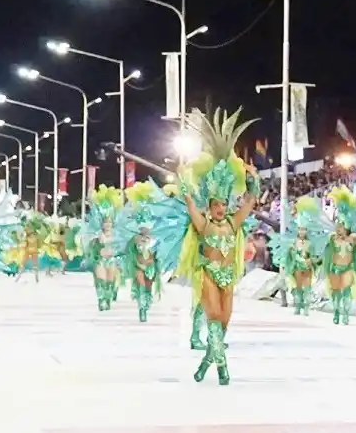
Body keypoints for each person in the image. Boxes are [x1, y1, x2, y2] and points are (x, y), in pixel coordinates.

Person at [167, 109, 259, 385]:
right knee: (214, 318)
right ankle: (223, 368)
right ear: (210, 206)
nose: (220, 209)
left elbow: (250, 201)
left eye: (223, 204)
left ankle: (208, 360)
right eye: (216, 205)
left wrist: (252, 179)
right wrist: (184, 182)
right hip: (207, 273)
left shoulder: (233, 224)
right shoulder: (203, 225)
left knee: (224, 322)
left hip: (228, 274)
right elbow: (189, 203)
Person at [322, 186, 356, 325]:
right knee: (336, 293)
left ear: (347, 227)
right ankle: (337, 311)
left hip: (348, 268)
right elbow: (326, 247)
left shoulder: (353, 238)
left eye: (342, 226)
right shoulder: (332, 238)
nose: (339, 229)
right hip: (335, 268)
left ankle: (346, 313)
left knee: (346, 292)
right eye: (338, 226)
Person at [270, 196, 325, 316]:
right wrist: (293, 260)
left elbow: (315, 256)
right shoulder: (293, 243)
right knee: (296, 287)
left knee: (307, 288)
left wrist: (313, 260)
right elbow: (290, 255)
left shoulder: (310, 244)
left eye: (304, 230)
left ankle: (305, 307)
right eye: (300, 229)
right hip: (296, 268)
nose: (302, 232)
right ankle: (298, 305)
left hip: (307, 268)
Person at [120, 181, 165, 323]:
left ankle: (145, 305)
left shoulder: (155, 239)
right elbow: (129, 251)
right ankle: (141, 307)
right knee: (140, 284)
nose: (145, 230)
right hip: (138, 266)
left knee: (148, 287)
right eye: (142, 227)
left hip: (151, 267)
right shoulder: (135, 239)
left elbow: (159, 253)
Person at [81, 186, 124, 311]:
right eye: (105, 223)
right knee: (101, 281)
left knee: (110, 282)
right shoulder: (98, 235)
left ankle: (108, 299)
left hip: (112, 261)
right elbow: (90, 243)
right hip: (100, 260)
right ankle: (101, 300)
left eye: (110, 223)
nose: (108, 225)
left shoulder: (117, 235)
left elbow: (121, 248)